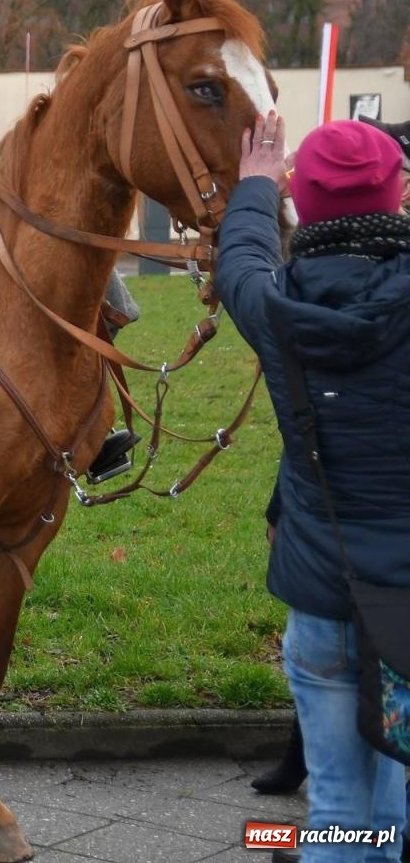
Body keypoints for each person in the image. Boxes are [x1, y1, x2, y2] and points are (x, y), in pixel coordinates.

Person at [219, 112, 410, 862]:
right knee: (394, 804)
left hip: (324, 595)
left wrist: (256, 188)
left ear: (301, 201)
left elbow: (240, 255)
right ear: (397, 195)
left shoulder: (272, 305)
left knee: (336, 803)